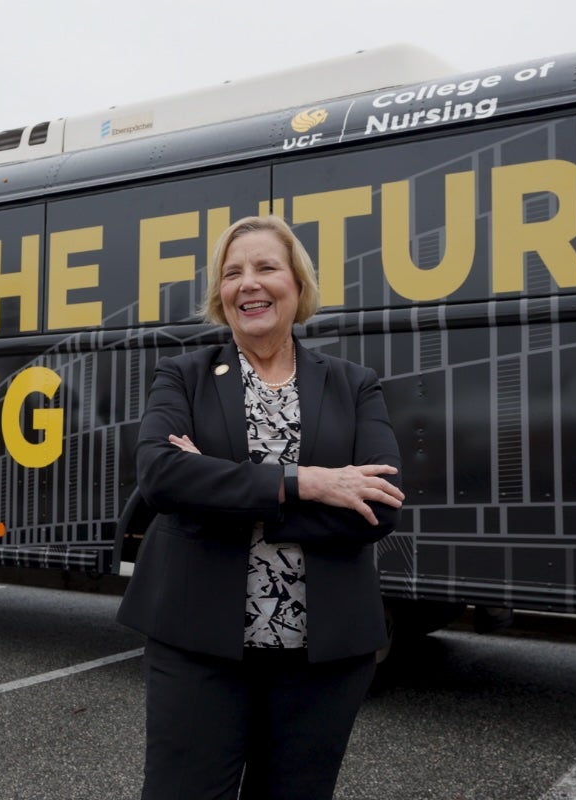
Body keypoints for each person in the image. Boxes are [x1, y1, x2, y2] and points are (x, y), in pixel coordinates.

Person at [117, 215, 404, 800]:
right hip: (197, 643)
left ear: (297, 285)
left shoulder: (354, 384)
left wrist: (219, 486)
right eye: (231, 273)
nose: (248, 283)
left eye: (266, 267)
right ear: (220, 296)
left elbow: (379, 508)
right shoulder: (184, 375)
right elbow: (161, 478)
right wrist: (309, 483)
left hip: (322, 658)